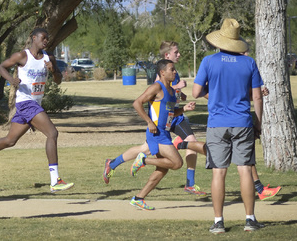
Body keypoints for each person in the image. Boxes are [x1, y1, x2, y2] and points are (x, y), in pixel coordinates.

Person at [0, 28, 74, 193]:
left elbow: (58, 81)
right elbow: (0, 67)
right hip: (26, 103)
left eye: (48, 38)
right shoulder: (22, 56)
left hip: (34, 104)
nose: (46, 41)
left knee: (10, 140)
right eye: (43, 38)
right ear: (34, 38)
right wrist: (11, 79)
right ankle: (55, 181)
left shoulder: (49, 57)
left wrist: (53, 69)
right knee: (52, 134)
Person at [192, 18, 264, 233]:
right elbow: (257, 97)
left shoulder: (208, 61)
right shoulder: (249, 62)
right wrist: (257, 124)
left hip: (217, 124)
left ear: (220, 40)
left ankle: (218, 222)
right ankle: (250, 219)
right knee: (244, 170)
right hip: (242, 122)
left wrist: (211, 94)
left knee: (218, 172)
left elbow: (196, 92)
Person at [110, 59, 195, 210]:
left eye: (174, 69)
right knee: (177, 163)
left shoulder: (171, 91)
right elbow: (137, 103)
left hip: (165, 133)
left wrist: (184, 109)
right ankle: (143, 161)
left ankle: (139, 198)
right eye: (172, 69)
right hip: (156, 133)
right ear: (162, 72)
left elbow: (170, 113)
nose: (175, 72)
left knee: (163, 169)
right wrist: (149, 122)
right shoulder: (157, 87)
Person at [155, 41, 206, 196]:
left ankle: (190, 184)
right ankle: (116, 163)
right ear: (167, 55)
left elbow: (175, 97)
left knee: (192, 142)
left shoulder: (174, 73)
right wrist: (177, 88)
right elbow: (158, 93)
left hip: (176, 116)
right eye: (176, 52)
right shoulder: (162, 73)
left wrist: (180, 94)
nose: (179, 55)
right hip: (165, 118)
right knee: (148, 150)